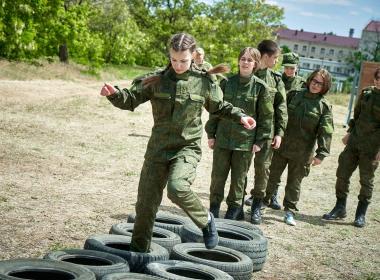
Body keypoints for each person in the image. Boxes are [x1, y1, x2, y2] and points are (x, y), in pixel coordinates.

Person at [100, 33, 256, 252]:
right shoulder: (157, 79)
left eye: (183, 60)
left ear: (193, 55)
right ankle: (138, 255)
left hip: (186, 148)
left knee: (177, 187)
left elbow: (219, 107)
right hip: (158, 149)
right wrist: (114, 94)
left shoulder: (204, 81)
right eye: (174, 60)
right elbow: (130, 99)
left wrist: (241, 116)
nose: (178, 65)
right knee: (145, 206)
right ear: (169, 56)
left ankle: (206, 221)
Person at [205, 47, 273, 220]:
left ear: (255, 64)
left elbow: (266, 117)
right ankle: (213, 208)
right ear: (238, 61)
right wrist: (211, 134)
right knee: (217, 176)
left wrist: (259, 141)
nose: (245, 62)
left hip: (245, 142)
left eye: (249, 60)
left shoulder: (260, 88)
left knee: (238, 179)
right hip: (223, 138)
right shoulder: (226, 82)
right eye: (243, 58)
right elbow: (216, 109)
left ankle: (234, 210)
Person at [264, 69, 334, 226]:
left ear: (325, 86)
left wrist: (321, 153)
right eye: (314, 81)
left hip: (303, 152)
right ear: (309, 80)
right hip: (282, 145)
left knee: (294, 183)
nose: (315, 85)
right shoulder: (294, 94)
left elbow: (326, 130)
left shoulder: (324, 106)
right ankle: (262, 203)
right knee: (271, 176)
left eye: (320, 83)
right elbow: (280, 115)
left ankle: (289, 211)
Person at [322, 67, 380, 227]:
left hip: (372, 147)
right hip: (355, 141)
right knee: (342, 174)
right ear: (375, 78)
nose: (379, 81)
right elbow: (357, 115)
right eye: (378, 77)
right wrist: (349, 132)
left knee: (366, 181)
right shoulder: (366, 94)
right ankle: (340, 207)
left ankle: (360, 214)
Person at [244, 40, 288, 224]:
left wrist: (279, 133)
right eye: (275, 58)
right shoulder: (246, 73)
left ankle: (256, 205)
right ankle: (237, 203)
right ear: (265, 56)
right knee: (241, 169)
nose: (276, 62)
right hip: (245, 131)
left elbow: (281, 108)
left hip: (267, 133)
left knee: (262, 169)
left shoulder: (276, 79)